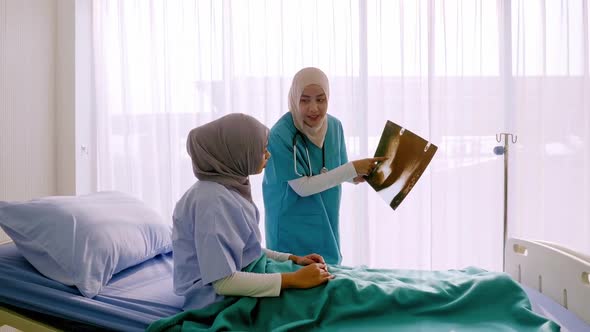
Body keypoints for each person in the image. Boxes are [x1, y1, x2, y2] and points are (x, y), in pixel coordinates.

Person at [172, 113, 334, 311]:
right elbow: (223, 282)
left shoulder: (225, 188)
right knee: (330, 297)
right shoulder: (211, 203)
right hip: (216, 301)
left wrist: (292, 259)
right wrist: (292, 279)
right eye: (262, 150)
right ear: (237, 152)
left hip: (245, 279)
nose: (268, 155)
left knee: (335, 286)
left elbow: (242, 249)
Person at [263, 67, 387, 264]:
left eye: (320, 99)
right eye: (305, 100)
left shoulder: (335, 127)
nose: (314, 108)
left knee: (328, 277)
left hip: (325, 223)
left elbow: (338, 168)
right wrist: (352, 169)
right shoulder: (280, 135)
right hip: (290, 227)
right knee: (294, 281)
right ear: (294, 99)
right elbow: (303, 187)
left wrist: (356, 176)